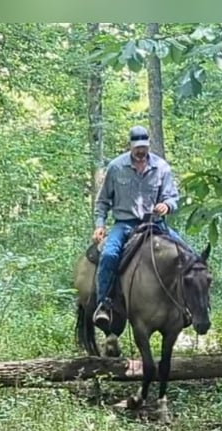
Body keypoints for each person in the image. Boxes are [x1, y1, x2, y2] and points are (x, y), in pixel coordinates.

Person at [91, 125, 188, 331]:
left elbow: (172, 197)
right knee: (109, 255)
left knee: (188, 254)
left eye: (144, 147)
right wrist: (100, 225)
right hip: (125, 224)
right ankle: (104, 304)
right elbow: (102, 202)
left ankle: (188, 306)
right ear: (130, 146)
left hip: (155, 224)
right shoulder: (116, 168)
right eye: (137, 148)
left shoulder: (162, 167)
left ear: (148, 145)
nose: (141, 152)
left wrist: (167, 205)